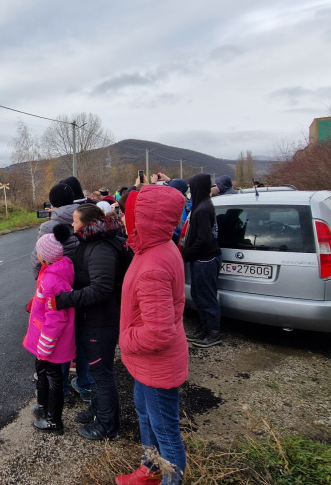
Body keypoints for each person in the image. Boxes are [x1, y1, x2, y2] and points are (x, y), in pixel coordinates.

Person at [116, 185, 188, 485]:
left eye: (127, 213)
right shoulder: (154, 247)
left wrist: (124, 341)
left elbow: (157, 333)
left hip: (156, 363)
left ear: (143, 219)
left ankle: (169, 479)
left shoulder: (153, 265)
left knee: (166, 433)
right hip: (147, 365)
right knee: (146, 419)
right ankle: (150, 469)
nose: (122, 218)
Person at [55, 203, 128, 441]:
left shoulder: (100, 248)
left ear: (86, 225)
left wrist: (65, 300)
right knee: (98, 371)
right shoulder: (91, 242)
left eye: (75, 221)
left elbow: (101, 288)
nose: (72, 225)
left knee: (102, 373)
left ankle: (108, 426)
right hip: (92, 319)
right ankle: (97, 411)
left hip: (101, 321)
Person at [30, 182, 92, 403]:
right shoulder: (85, 216)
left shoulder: (50, 226)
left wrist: (40, 283)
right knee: (81, 337)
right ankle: (86, 386)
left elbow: (37, 260)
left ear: (53, 202)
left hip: (57, 288)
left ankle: (61, 388)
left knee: (60, 338)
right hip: (83, 286)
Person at [23, 225, 76, 434]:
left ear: (44, 257)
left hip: (51, 341)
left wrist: (45, 346)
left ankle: (55, 420)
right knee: (42, 372)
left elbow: (56, 319)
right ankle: (43, 407)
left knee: (53, 378)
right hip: (44, 338)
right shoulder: (54, 271)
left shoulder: (52, 281)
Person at [181, 173, 222, 348]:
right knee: (198, 296)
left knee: (207, 297)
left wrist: (186, 255)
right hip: (200, 258)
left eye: (192, 187)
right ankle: (203, 327)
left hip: (206, 259)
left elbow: (204, 239)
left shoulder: (203, 209)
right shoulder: (200, 206)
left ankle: (213, 332)